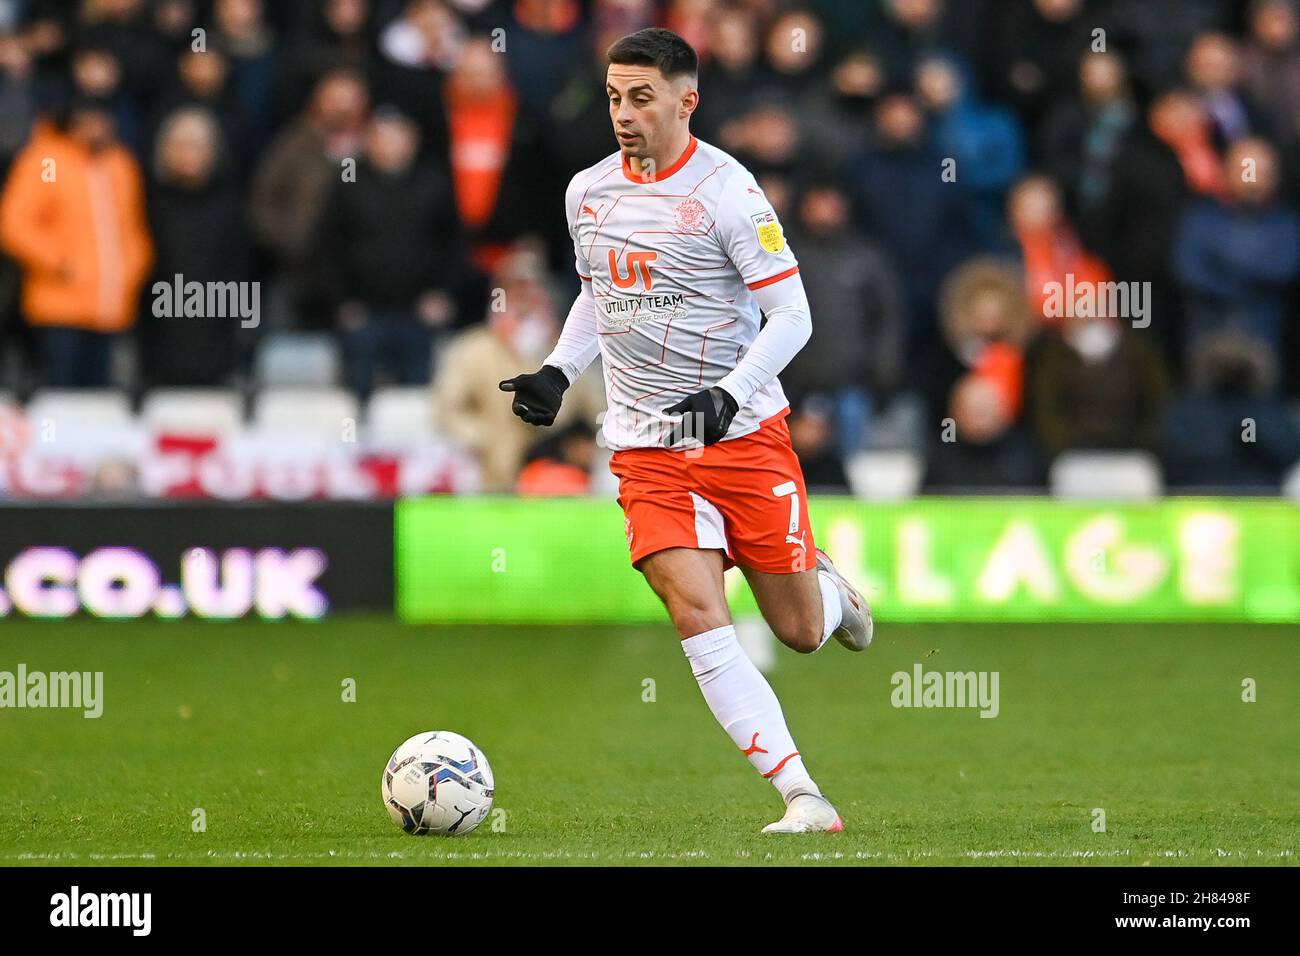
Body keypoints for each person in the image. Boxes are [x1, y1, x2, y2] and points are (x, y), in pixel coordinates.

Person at [498, 28, 870, 835]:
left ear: (685, 100)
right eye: (613, 97)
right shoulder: (587, 192)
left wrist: (730, 394)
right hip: (644, 444)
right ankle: (803, 796)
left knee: (798, 632)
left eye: (641, 98)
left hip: (742, 438)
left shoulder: (729, 193)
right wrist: (559, 370)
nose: (624, 115)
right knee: (697, 614)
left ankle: (830, 596)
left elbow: (792, 315)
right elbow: (602, 293)